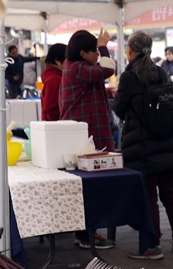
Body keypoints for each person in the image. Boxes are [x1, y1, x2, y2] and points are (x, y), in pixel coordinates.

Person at [113, 31, 173, 260]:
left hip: (143, 145)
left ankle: (152, 245)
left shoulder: (129, 76)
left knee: (149, 197)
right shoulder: (160, 72)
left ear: (130, 51)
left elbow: (118, 109)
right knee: (169, 193)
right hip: (168, 142)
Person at [59, 28, 116, 249]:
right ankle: (86, 236)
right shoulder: (77, 68)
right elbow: (109, 69)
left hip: (88, 135)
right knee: (88, 188)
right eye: (94, 52)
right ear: (83, 53)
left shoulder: (78, 68)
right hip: (85, 139)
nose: (97, 56)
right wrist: (104, 45)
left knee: (89, 187)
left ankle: (87, 233)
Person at [41, 43, 67, 121]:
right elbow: (51, 108)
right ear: (58, 61)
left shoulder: (55, 76)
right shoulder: (54, 79)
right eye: (68, 60)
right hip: (55, 128)